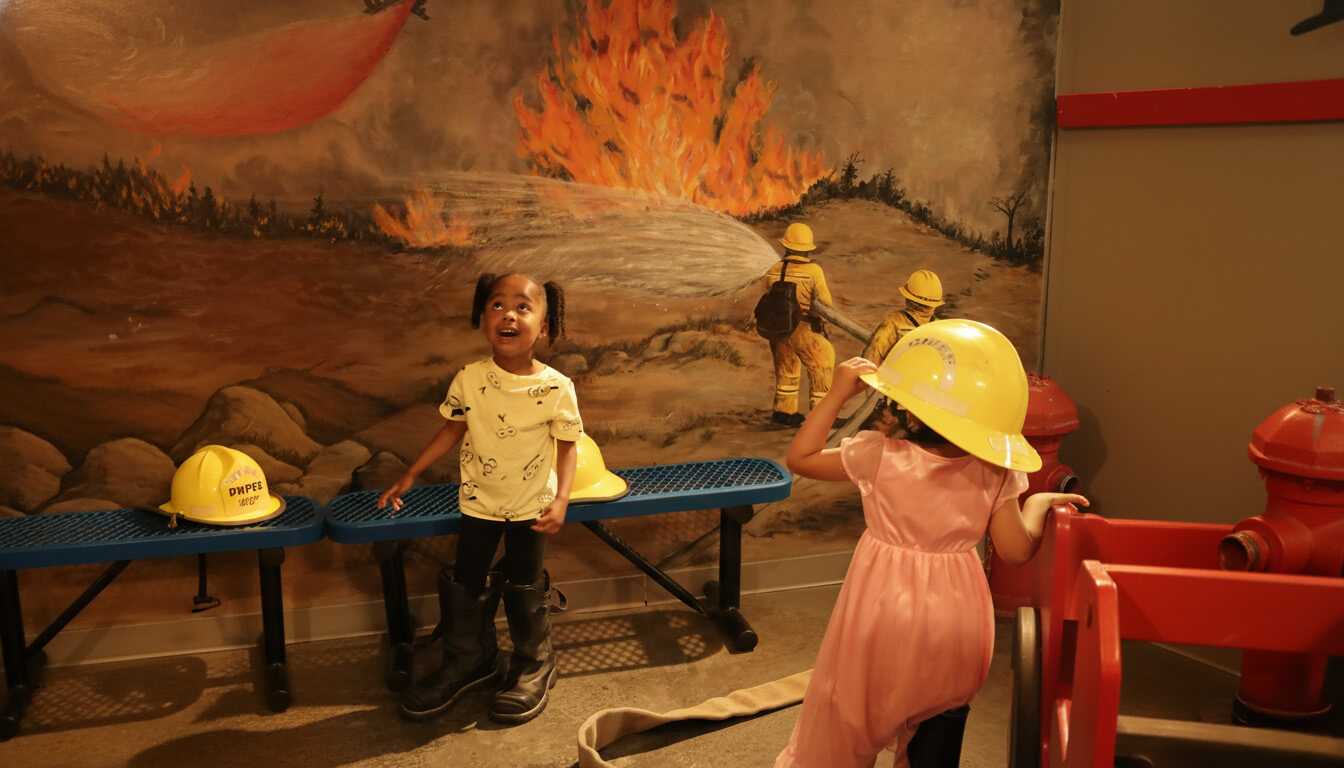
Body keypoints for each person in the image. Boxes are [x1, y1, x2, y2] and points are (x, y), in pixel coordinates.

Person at [774, 319, 1089, 768]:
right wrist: (1037, 504)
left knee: (848, 718)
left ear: (914, 414)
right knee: (940, 724)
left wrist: (839, 391)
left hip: (882, 616)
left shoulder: (879, 454)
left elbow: (799, 457)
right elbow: (1017, 550)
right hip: (958, 625)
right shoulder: (995, 469)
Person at [378, 272, 581, 725]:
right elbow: (453, 428)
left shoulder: (556, 388)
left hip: (531, 505)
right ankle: (471, 658)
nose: (508, 314)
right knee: (467, 579)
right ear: (482, 318)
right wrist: (411, 473)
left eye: (523, 307)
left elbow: (569, 446)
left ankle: (534, 662)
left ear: (544, 327)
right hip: (479, 504)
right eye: (496, 305)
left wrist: (562, 499)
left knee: (525, 581)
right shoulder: (469, 380)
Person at [763, 222, 835, 427]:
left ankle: (784, 412)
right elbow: (825, 303)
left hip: (779, 329)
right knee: (822, 364)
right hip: (804, 327)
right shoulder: (814, 271)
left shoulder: (774, 269)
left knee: (786, 369)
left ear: (786, 246)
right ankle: (820, 416)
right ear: (807, 249)